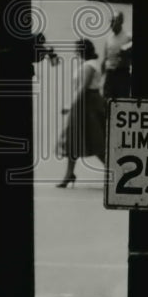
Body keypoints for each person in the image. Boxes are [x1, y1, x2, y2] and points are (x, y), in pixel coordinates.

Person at [56, 38, 106, 186]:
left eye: (77, 49)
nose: (76, 52)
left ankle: (113, 169)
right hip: (88, 102)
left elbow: (82, 89)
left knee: (94, 139)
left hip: (86, 104)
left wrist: (70, 106)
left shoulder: (88, 66)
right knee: (75, 139)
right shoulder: (90, 64)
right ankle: (69, 174)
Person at [100, 11, 132, 100]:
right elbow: (105, 59)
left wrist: (127, 49)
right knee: (107, 100)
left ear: (121, 21)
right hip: (110, 74)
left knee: (122, 101)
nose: (111, 23)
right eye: (110, 21)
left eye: (114, 21)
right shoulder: (109, 38)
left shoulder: (128, 37)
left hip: (122, 73)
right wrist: (101, 78)